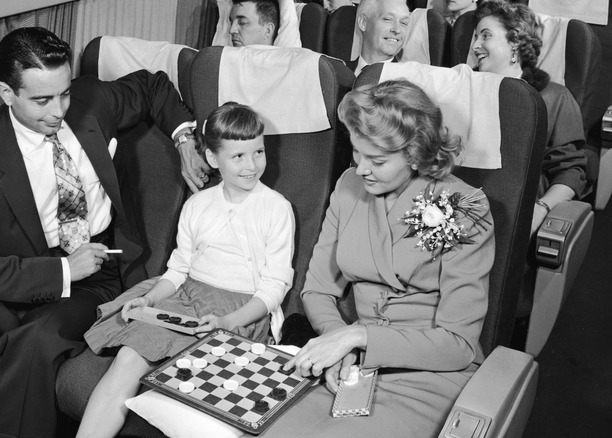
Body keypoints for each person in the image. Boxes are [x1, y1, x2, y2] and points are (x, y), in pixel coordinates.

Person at [0, 27, 206, 438]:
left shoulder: (90, 102)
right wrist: (62, 271)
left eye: (63, 93)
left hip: (96, 271)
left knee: (34, 343)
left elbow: (152, 85)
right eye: (41, 99)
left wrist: (184, 139)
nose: (58, 110)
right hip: (19, 270)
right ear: (6, 92)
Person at [260, 80, 495, 437]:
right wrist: (338, 342)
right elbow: (318, 289)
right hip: (351, 365)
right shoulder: (349, 186)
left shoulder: (465, 207)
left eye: (377, 160)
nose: (361, 169)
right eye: (357, 153)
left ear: (415, 154)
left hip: (429, 372)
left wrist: (359, 337)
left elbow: (459, 345)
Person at [75, 102, 296, 438]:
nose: (252, 165)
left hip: (240, 312)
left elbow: (273, 288)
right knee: (128, 359)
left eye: (258, 152)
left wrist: (227, 323)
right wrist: (149, 300)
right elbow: (178, 269)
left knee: (193, 381)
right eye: (238, 156)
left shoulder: (277, 209)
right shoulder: (197, 205)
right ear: (212, 159)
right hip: (186, 299)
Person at [471, 0, 586, 235]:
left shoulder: (553, 97)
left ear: (515, 41)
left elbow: (571, 171)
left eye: (485, 36)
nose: (475, 46)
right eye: (475, 38)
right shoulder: (463, 89)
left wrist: (541, 208)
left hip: (513, 212)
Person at [350, 0, 412, 76]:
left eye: (403, 23)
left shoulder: (411, 82)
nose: (397, 30)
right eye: (388, 19)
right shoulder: (336, 73)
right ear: (363, 23)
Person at [212, 0, 301, 47]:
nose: (231, 30)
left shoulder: (281, 65)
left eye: (242, 23)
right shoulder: (223, 61)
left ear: (267, 30)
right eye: (231, 22)